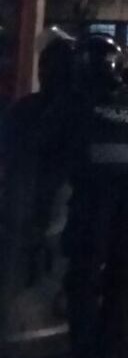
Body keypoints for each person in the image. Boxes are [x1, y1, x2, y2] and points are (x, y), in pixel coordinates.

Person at [56, 35, 128, 358]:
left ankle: (84, 356)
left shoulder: (78, 103)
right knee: (120, 279)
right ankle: (113, 354)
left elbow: (51, 145)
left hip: (93, 207)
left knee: (82, 280)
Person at [0, 32, 74, 338]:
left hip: (24, 198)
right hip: (55, 201)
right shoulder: (75, 111)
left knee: (17, 268)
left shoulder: (24, 108)